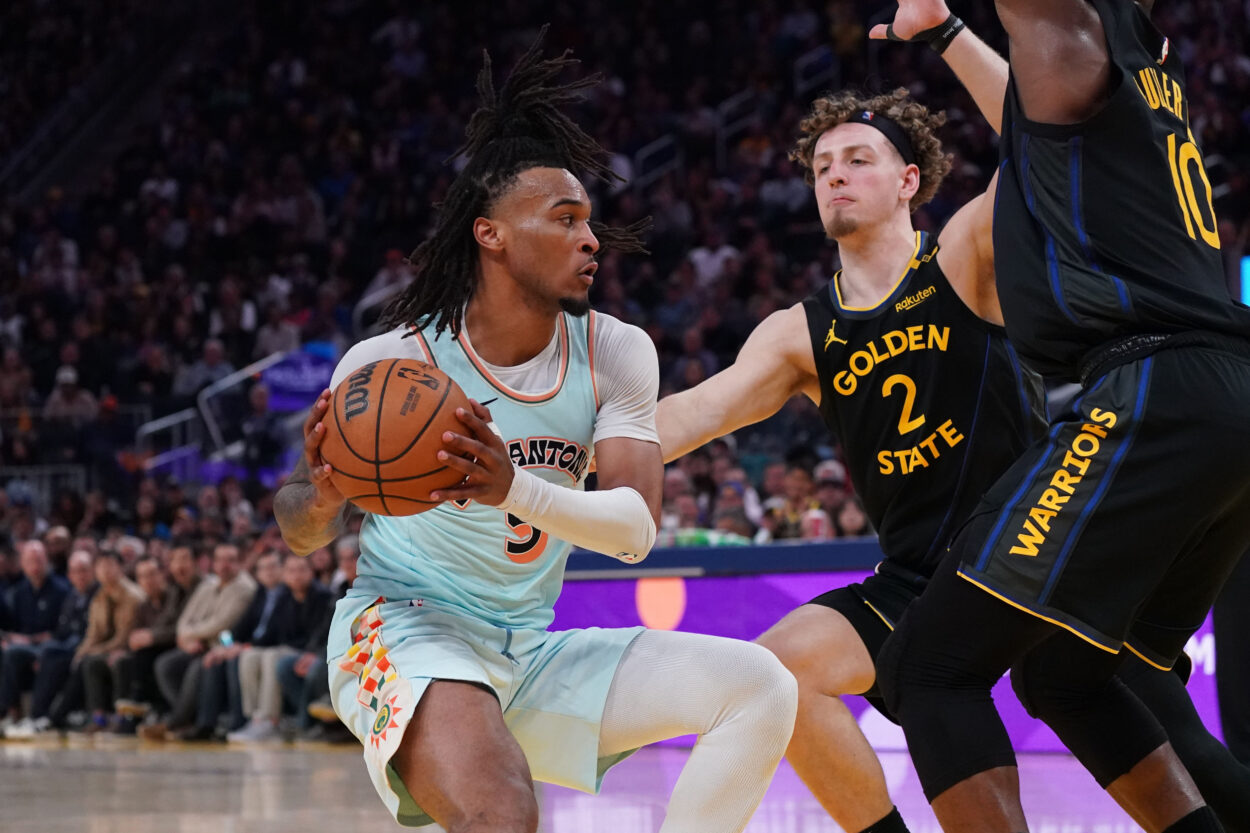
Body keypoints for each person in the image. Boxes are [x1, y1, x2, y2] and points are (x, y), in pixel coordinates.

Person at [657, 4, 1250, 831]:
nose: (834, 175)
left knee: (1145, 720)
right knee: (779, 672)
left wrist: (946, 32)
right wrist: (560, 452)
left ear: (909, 181)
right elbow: (691, 413)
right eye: (822, 165)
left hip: (1043, 536)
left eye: (857, 159)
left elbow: (1045, 131)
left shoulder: (964, 252)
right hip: (916, 575)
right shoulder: (798, 332)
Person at [275, 33, 797, 833]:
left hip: (525, 644)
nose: (591, 239)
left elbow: (635, 530)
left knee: (760, 685)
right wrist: (323, 497)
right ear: (491, 233)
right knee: (504, 812)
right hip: (403, 624)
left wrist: (510, 485)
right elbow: (299, 529)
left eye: (590, 221)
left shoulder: (614, 350)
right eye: (565, 219)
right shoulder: (391, 363)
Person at [873, 1, 1250, 831]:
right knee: (1067, 673)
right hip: (1219, 398)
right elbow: (1021, 109)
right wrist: (943, 31)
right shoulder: (1122, 77)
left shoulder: (1081, 31)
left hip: (1152, 391)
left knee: (928, 668)